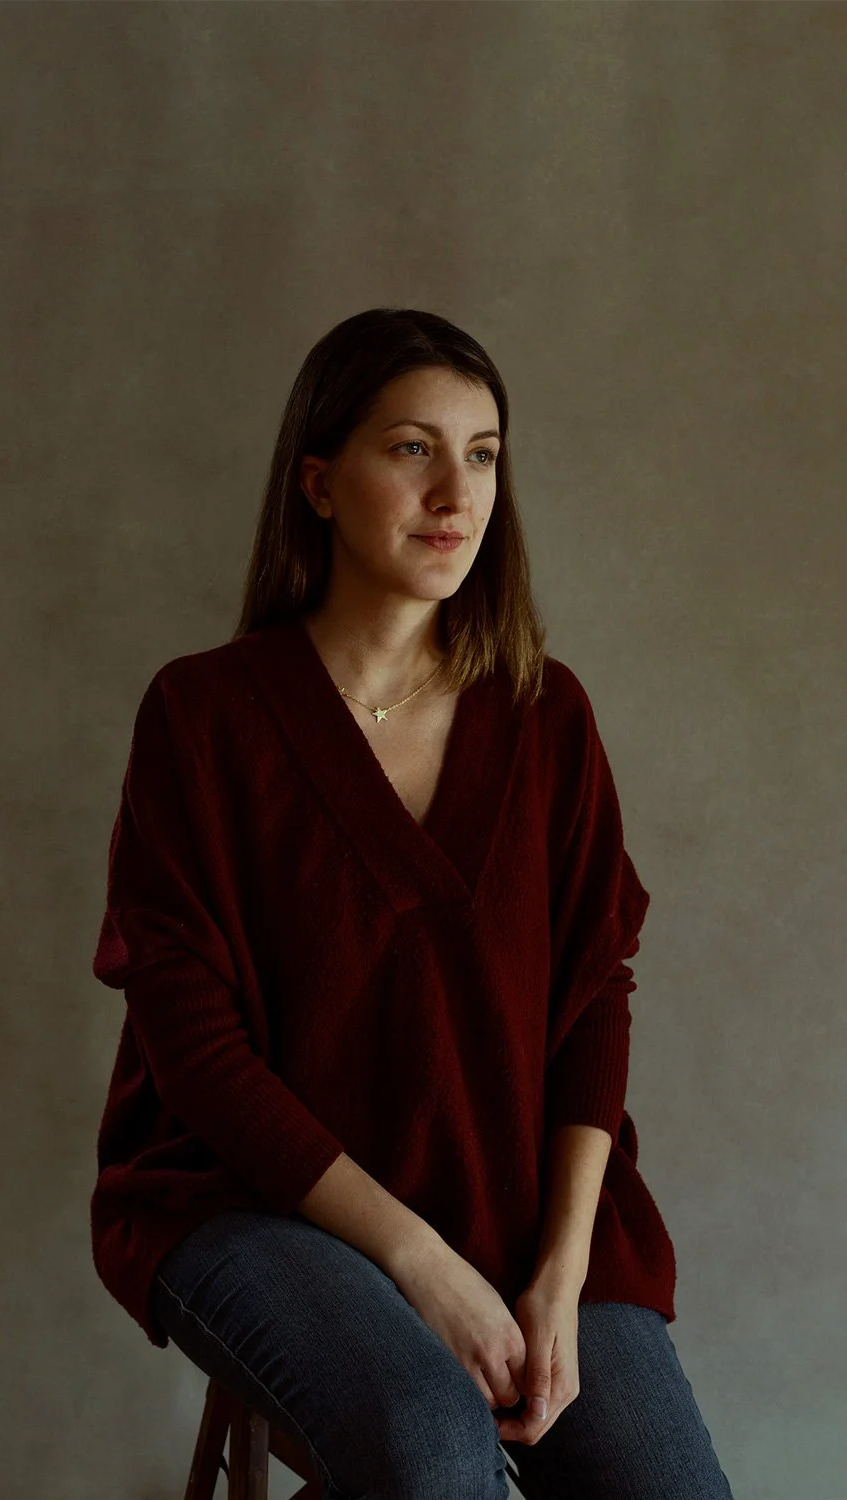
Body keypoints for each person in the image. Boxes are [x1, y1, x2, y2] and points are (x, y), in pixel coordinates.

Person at [89, 307, 734, 1498]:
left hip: (517, 1205)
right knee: (430, 1438)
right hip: (251, 1202)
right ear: (320, 484)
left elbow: (594, 997)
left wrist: (560, 1267)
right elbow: (196, 1052)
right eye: (411, 449)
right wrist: (420, 1264)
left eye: (482, 453)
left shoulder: (545, 716)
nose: (456, 492)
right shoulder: (206, 717)